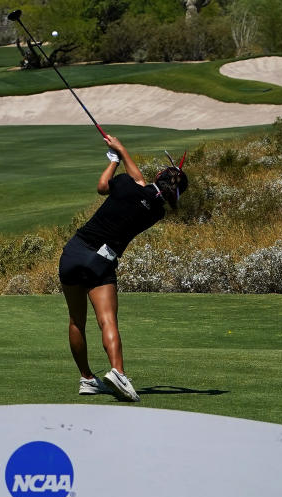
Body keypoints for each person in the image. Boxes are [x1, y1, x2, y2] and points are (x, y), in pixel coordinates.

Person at [58, 135, 188, 402]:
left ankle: (87, 379)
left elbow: (103, 186)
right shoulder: (156, 212)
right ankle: (117, 371)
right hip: (100, 263)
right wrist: (121, 153)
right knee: (107, 320)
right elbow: (143, 185)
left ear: (160, 175)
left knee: (76, 321)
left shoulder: (129, 186)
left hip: (73, 252)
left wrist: (115, 158)